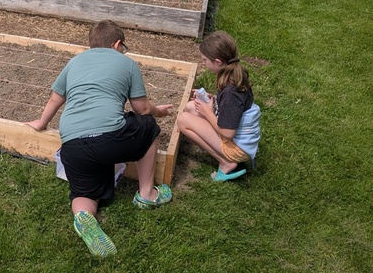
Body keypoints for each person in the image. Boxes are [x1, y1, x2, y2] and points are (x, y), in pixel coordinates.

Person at [26, 20, 174, 259]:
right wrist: (160, 111)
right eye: (123, 47)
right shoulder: (127, 63)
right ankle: (146, 194)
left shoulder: (74, 62)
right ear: (117, 44)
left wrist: (41, 123)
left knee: (84, 193)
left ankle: (84, 215)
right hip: (109, 139)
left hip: (72, 145)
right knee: (148, 127)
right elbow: (143, 109)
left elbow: (55, 98)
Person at [177, 31, 261, 181]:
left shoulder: (231, 93)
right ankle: (219, 152)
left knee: (183, 119)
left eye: (205, 60)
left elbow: (228, 133)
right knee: (190, 107)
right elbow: (236, 106)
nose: (203, 63)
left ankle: (226, 162)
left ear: (217, 62)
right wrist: (214, 99)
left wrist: (208, 112)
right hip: (242, 139)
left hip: (238, 149)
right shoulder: (234, 74)